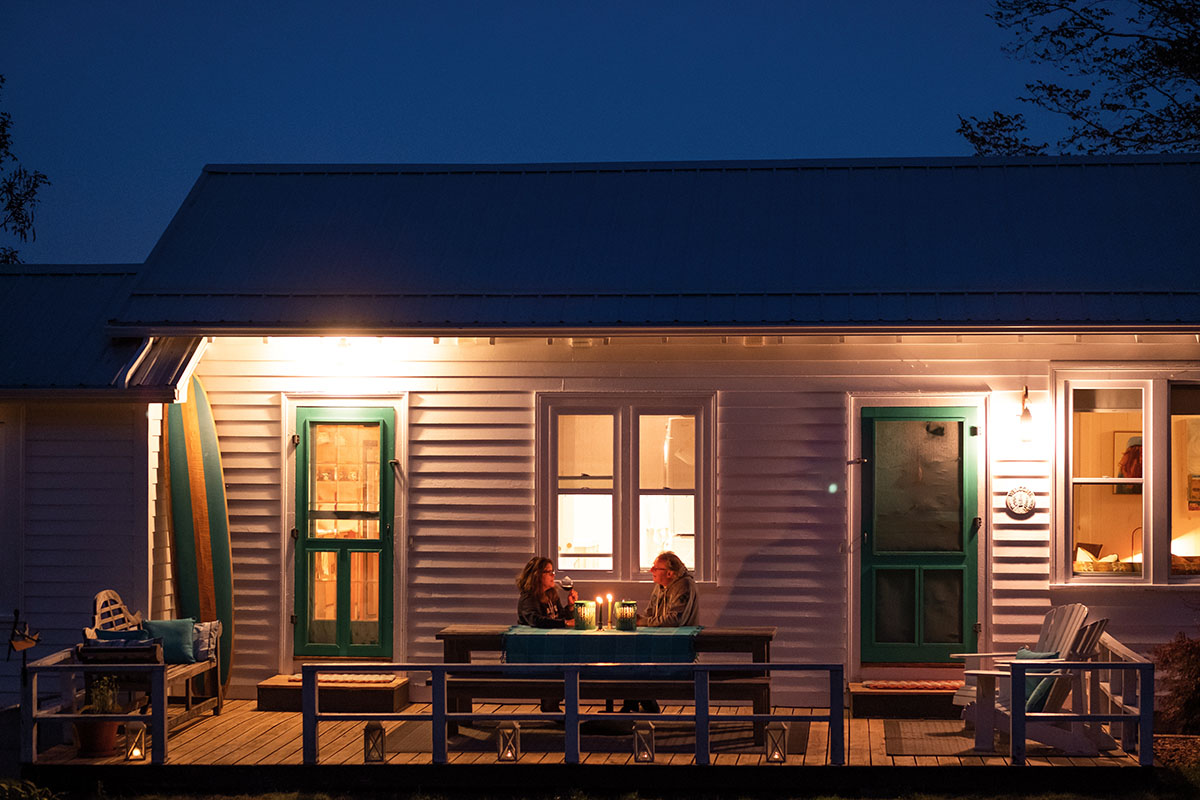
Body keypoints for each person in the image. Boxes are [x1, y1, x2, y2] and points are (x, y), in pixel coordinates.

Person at [621, 551, 700, 713]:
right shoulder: (659, 586)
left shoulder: (684, 586)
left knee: (635, 660)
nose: (651, 570)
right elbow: (650, 613)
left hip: (677, 646)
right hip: (658, 641)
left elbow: (674, 619)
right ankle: (635, 702)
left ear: (670, 573)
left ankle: (642, 700)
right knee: (629, 655)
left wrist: (641, 621)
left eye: (656, 568)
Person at [516, 556, 578, 628]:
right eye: (548, 572)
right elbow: (536, 621)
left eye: (552, 571)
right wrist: (565, 623)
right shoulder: (528, 598)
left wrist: (570, 606)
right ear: (537, 575)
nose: (553, 575)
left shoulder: (551, 594)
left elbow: (559, 617)